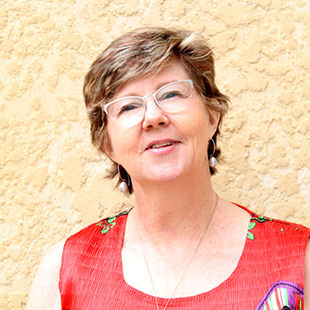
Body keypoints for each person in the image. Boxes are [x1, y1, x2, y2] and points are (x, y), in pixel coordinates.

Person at [27, 27, 310, 310]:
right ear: (107, 144)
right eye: (128, 107)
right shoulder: (66, 273)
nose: (153, 117)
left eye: (171, 94)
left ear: (212, 116)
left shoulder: (299, 260)